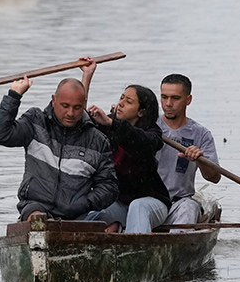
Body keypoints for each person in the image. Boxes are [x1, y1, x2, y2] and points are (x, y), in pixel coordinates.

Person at [0, 75, 117, 221]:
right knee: (38, 218)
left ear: (84, 104)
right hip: (35, 207)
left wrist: (84, 203)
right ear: (54, 100)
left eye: (77, 108)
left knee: (111, 224)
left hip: (78, 215)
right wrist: (14, 96)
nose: (70, 113)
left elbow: (109, 187)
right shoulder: (36, 122)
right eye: (65, 106)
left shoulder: (98, 141)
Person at [78, 59, 172, 233]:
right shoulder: (108, 127)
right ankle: (116, 227)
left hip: (152, 203)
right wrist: (87, 75)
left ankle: (136, 252)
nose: (120, 103)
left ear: (141, 112)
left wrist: (111, 123)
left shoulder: (153, 134)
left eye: (128, 101)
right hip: (119, 204)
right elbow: (79, 117)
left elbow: (139, 141)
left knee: (138, 207)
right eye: (121, 98)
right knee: (84, 210)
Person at [155, 74, 220, 228]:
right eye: (164, 97)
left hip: (180, 203)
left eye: (175, 98)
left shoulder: (201, 134)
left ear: (188, 100)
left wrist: (200, 160)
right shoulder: (149, 127)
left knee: (189, 207)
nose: (168, 104)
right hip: (150, 201)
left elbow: (215, 177)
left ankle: (179, 245)